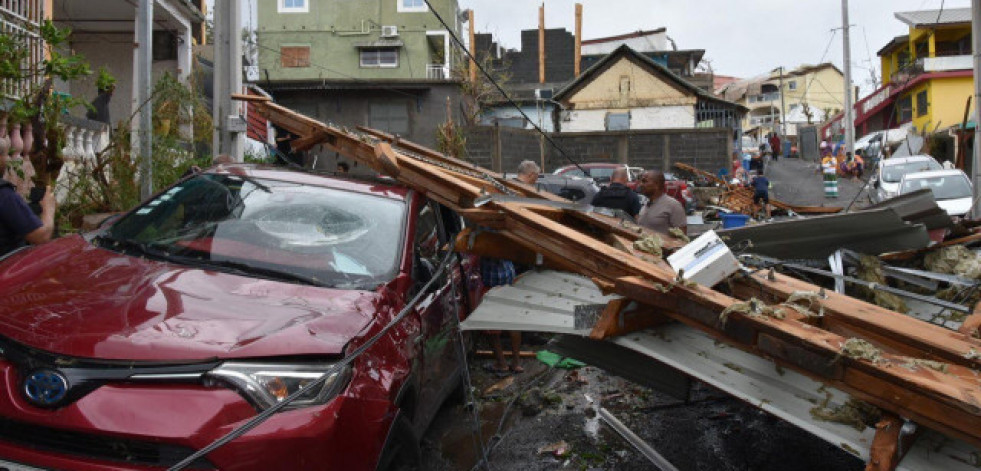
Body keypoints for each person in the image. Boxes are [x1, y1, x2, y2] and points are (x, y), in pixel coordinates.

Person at [481, 257, 523, 375]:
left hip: (493, 283)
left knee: (490, 327)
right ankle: (516, 363)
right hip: (509, 278)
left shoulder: (485, 240)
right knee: (513, 323)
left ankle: (501, 363)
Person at [0, 169, 56, 257]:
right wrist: (48, 209)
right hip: (10, 265)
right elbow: (41, 237)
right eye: (4, 155)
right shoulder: (5, 195)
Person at [636, 170, 687, 235]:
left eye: (644, 181)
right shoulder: (645, 205)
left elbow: (682, 238)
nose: (641, 184)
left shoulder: (673, 205)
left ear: (657, 184)